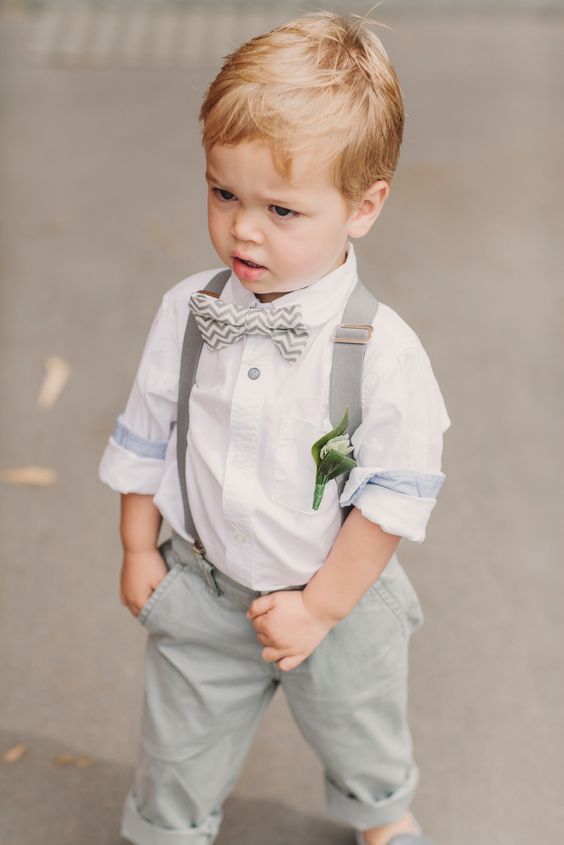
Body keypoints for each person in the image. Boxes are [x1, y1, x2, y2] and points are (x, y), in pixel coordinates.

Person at [98, 11, 451, 845]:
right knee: (177, 749)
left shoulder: (384, 352)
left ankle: (382, 814)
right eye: (224, 193)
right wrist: (139, 546)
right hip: (208, 587)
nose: (243, 228)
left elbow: (389, 501)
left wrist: (321, 608)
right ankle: (168, 827)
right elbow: (149, 431)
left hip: (339, 597)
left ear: (363, 207)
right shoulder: (188, 312)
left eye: (282, 210)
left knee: (360, 722)